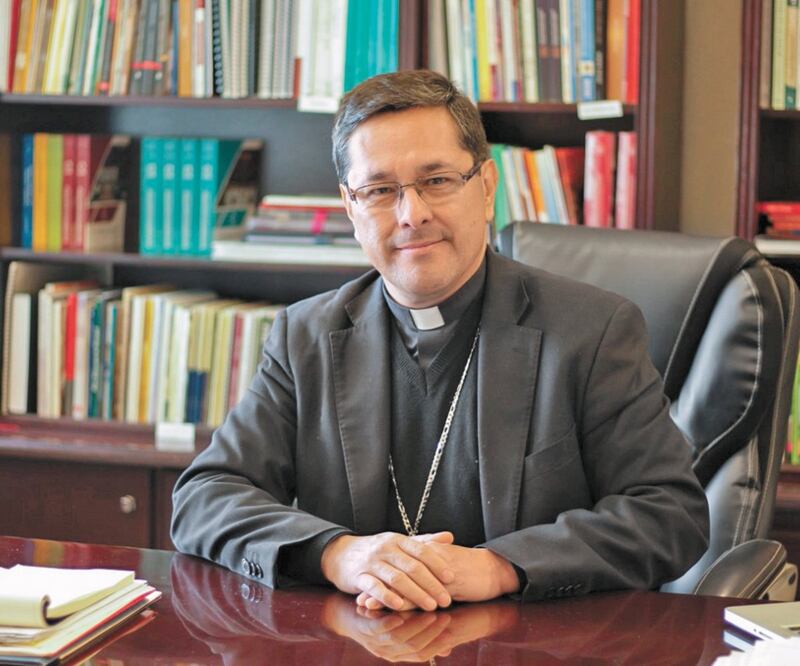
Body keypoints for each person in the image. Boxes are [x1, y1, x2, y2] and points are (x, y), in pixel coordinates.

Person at [171, 69, 709, 612]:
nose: (413, 214)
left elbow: (669, 514)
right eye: (380, 191)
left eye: (437, 180)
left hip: (529, 646)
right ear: (350, 207)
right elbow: (205, 496)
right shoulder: (305, 336)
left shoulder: (592, 330)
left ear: (487, 186)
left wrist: (501, 566)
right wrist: (338, 554)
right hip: (358, 644)